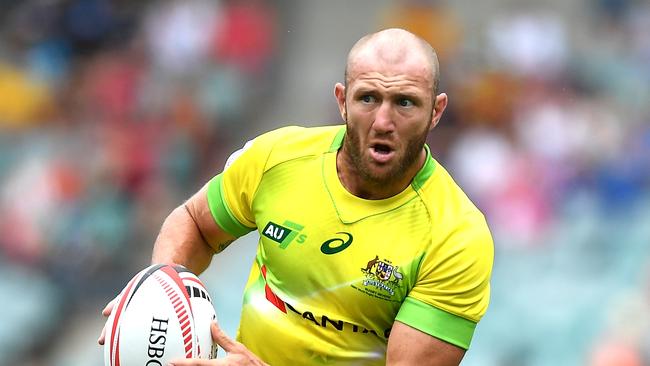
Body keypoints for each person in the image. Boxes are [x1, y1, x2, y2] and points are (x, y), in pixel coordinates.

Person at [99, 28, 493, 366]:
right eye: (368, 98)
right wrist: (158, 291)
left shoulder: (456, 236)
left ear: (436, 111)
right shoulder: (277, 158)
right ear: (342, 100)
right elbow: (196, 224)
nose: (383, 121)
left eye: (405, 102)